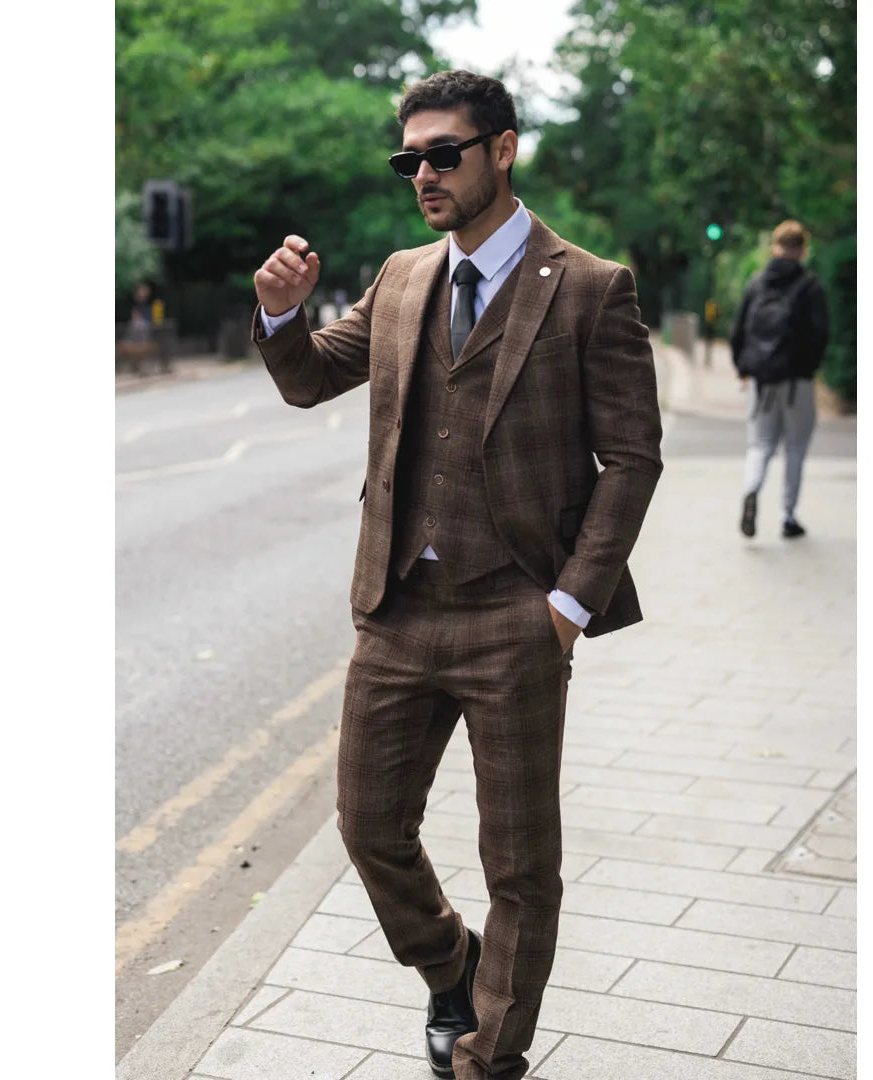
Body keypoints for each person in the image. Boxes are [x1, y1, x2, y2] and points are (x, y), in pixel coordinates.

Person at [251, 70, 662, 1080]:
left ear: (504, 149)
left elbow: (634, 457)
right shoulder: (398, 279)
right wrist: (279, 319)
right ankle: (453, 963)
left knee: (519, 864)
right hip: (397, 611)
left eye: (445, 153)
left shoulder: (592, 288)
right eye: (411, 158)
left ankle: (489, 1054)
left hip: (515, 615)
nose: (424, 173)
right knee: (368, 825)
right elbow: (310, 382)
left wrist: (566, 605)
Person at [729, 219, 829, 539]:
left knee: (759, 444)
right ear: (802, 249)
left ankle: (751, 489)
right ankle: (788, 516)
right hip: (796, 381)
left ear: (774, 246)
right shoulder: (810, 286)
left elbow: (739, 329)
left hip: (761, 379)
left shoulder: (757, 283)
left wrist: (743, 368)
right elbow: (820, 334)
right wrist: (808, 369)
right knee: (796, 447)